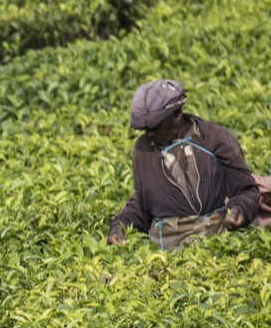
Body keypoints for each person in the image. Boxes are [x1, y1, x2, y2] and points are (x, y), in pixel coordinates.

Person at [107, 79, 262, 250]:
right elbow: (144, 202)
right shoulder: (144, 151)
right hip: (165, 246)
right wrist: (119, 225)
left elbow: (247, 190)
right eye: (145, 129)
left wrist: (240, 209)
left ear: (177, 114)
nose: (150, 134)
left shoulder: (215, 139)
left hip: (216, 240)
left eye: (155, 126)